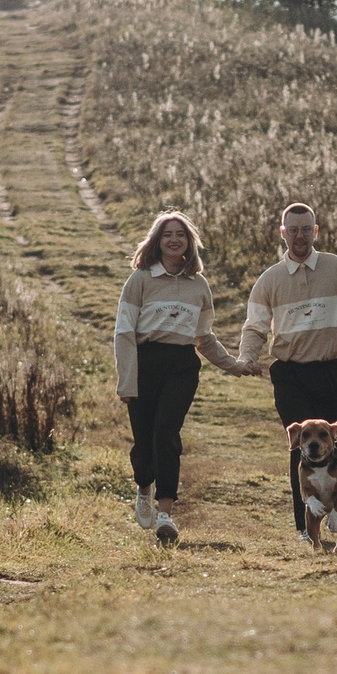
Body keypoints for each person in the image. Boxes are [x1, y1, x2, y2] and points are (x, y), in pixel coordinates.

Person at [236, 203, 337, 548]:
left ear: (316, 231)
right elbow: (255, 326)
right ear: (283, 234)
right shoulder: (270, 280)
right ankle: (306, 529)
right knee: (302, 446)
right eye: (292, 230)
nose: (299, 237)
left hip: (333, 370)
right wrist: (248, 357)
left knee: (335, 445)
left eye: (306, 229)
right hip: (290, 374)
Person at [114, 210, 246, 546]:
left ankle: (165, 513)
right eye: (168, 234)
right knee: (144, 443)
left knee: (166, 433)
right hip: (145, 363)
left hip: (181, 366)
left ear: (190, 243)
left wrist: (234, 364)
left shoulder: (198, 285)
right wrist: (127, 381)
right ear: (157, 241)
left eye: (181, 235)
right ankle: (144, 487)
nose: (175, 240)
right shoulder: (140, 279)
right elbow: (124, 333)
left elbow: (204, 337)